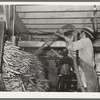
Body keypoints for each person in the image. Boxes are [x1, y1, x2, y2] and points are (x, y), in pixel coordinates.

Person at [56, 26, 99, 92]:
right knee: (86, 89)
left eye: (81, 33)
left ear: (84, 33)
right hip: (88, 70)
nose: (80, 35)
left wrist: (63, 36)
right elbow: (71, 47)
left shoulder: (85, 40)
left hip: (86, 70)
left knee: (87, 90)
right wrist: (63, 36)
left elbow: (71, 46)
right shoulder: (87, 42)